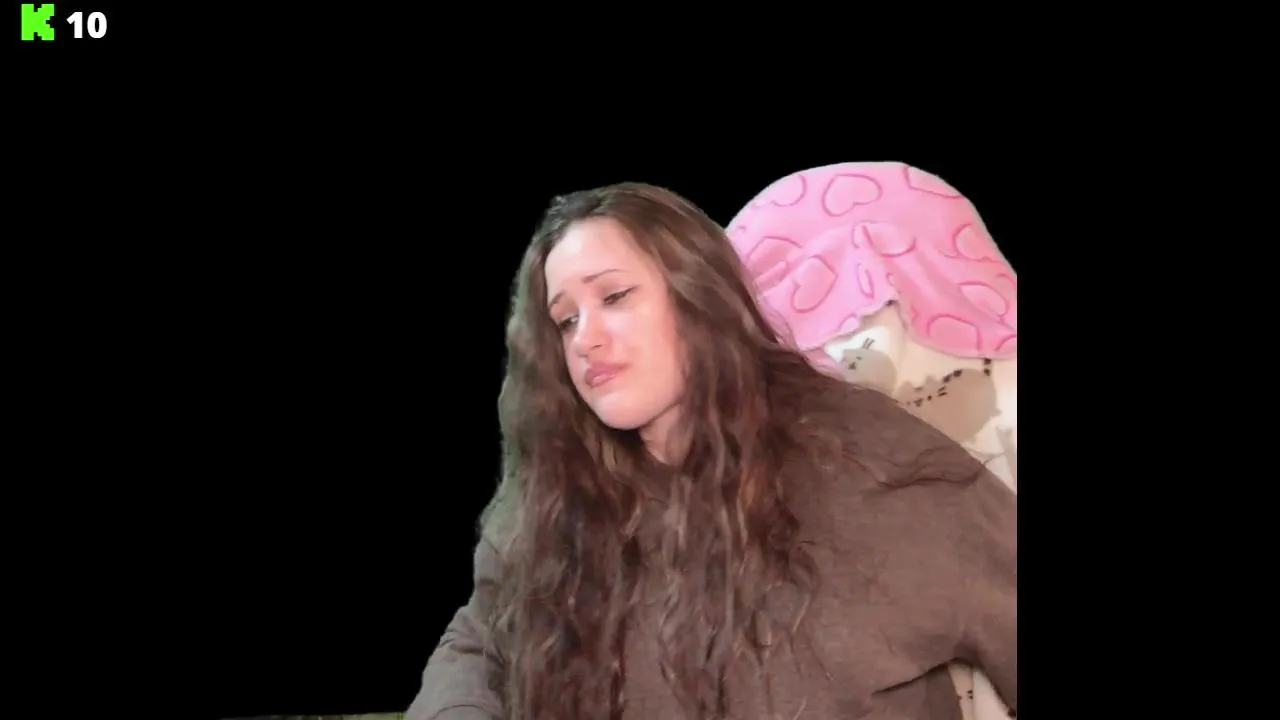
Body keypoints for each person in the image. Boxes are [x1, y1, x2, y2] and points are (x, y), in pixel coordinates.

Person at [407, 182, 1017, 720]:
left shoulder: (873, 472)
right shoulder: (560, 495)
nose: (585, 339)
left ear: (699, 295)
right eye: (565, 321)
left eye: (614, 296)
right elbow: (482, 641)